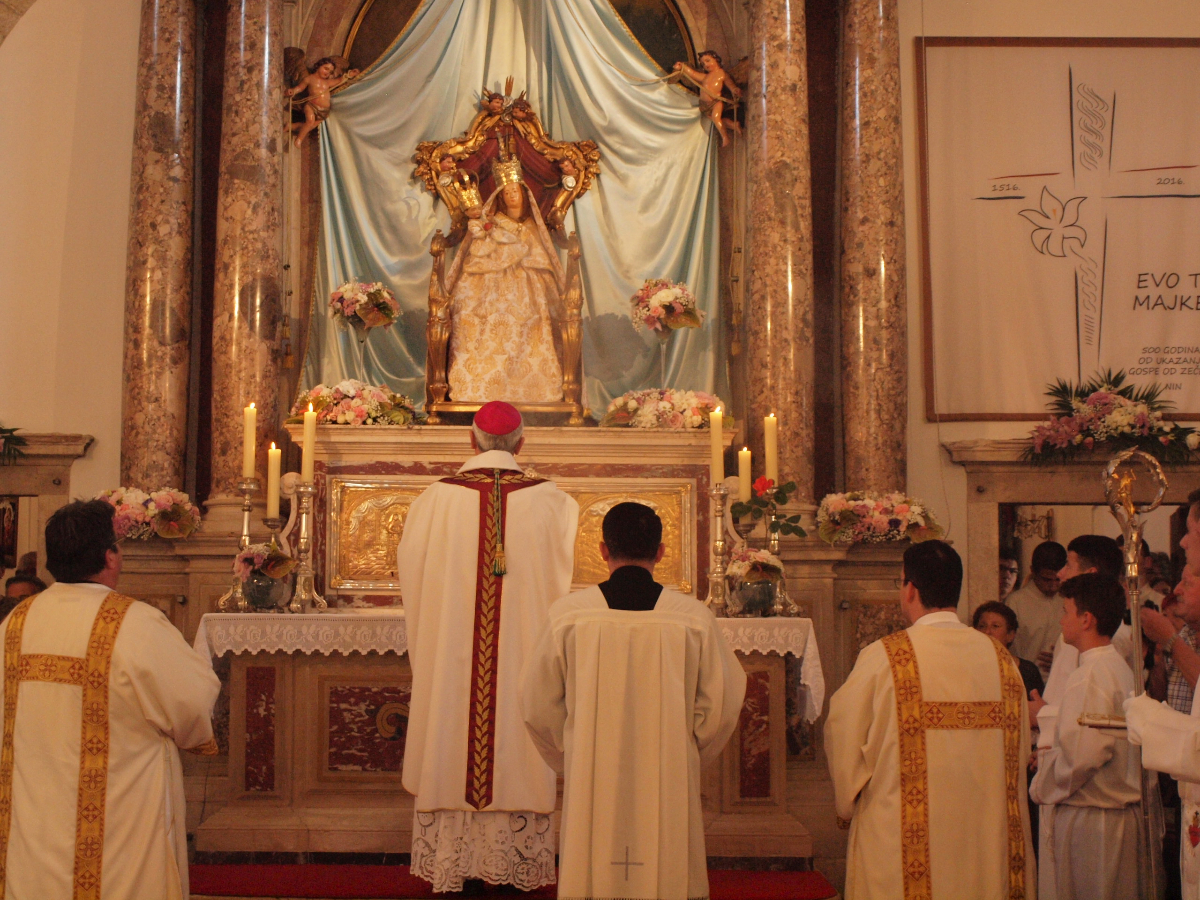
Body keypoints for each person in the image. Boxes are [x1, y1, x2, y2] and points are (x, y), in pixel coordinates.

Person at [521, 502, 745, 900]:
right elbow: (721, 704)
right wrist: (687, 750)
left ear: (603, 550)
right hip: (670, 770)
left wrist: (572, 751)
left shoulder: (569, 616)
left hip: (591, 770)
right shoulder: (692, 618)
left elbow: (537, 703)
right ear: (661, 552)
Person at [397, 402, 578, 893]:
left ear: (470, 440)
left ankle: (454, 866)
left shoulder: (433, 500)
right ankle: (511, 868)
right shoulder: (555, 502)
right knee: (521, 733)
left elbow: (414, 582)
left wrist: (440, 634)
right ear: (522, 443)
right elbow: (559, 586)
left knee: (450, 729)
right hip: (524, 659)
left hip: (452, 664)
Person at [0, 499, 219, 898]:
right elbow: (191, 705)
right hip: (116, 825)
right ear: (110, 556)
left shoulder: (16, 622)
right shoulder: (135, 622)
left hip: (32, 818)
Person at [825, 540, 1034, 899]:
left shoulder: (885, 657)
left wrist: (847, 801)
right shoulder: (1001, 661)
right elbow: (1018, 753)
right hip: (984, 844)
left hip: (902, 846)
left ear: (909, 589)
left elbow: (844, 734)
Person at [1030, 573, 1142, 899]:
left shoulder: (1090, 675)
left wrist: (1042, 785)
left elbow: (1083, 756)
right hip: (1113, 814)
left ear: (1086, 619)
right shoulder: (1116, 666)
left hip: (1095, 818)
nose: (1061, 620)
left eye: (1066, 611)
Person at [445, 159, 564, 403]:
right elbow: (478, 255)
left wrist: (529, 264)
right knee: (474, 316)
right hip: (490, 289)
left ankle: (529, 386)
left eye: (515, 191)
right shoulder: (494, 222)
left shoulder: (532, 226)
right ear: (500, 196)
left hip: (528, 290)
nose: (511, 196)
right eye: (506, 192)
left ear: (524, 195)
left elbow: (542, 257)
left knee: (533, 320)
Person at [1006, 539, 1066, 677]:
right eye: (1046, 579)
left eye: (1057, 579)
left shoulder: (1069, 599)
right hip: (1025, 678)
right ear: (1033, 571)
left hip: (1063, 677)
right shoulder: (1016, 602)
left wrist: (1063, 660)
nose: (1053, 586)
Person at [671, 51, 742, 147]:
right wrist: (682, 67)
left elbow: (730, 85)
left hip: (715, 102)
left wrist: (735, 90)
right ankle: (734, 125)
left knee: (716, 118)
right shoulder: (705, 77)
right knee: (716, 120)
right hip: (704, 106)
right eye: (703, 64)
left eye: (708, 61)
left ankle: (725, 137)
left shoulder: (722, 74)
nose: (706, 65)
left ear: (716, 59)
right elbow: (692, 73)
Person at [973, 600, 1044, 696]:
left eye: (995, 626)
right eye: (982, 626)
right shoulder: (969, 667)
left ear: (1010, 635)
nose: (987, 632)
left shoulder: (1028, 671)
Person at [286, 56, 359, 148]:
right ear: (318, 66)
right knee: (310, 121)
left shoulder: (327, 82)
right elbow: (300, 88)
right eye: (326, 68)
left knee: (309, 126)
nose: (327, 72)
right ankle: (299, 139)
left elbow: (339, 80)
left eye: (330, 72)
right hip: (312, 106)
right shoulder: (309, 79)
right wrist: (293, 91)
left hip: (324, 111)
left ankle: (291, 126)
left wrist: (350, 74)